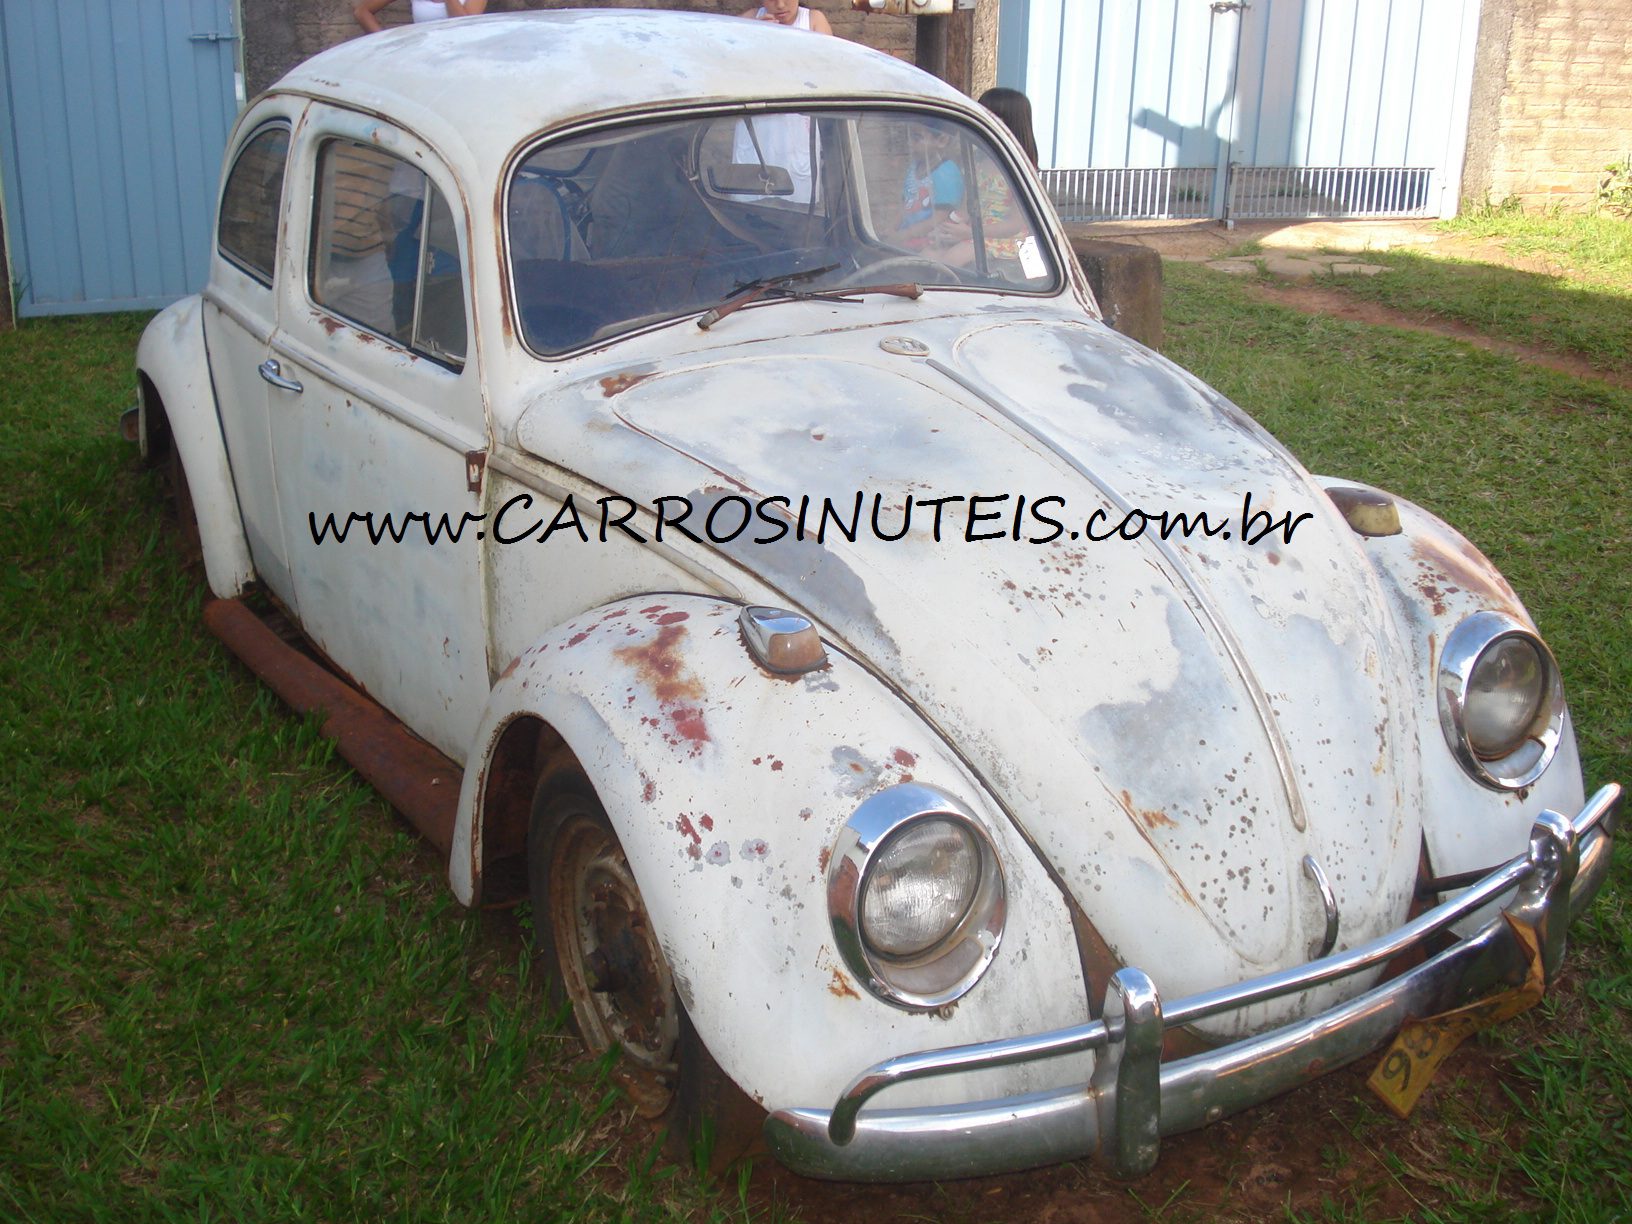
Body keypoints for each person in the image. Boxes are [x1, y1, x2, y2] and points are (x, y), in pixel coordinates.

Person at [931, 88, 1040, 271]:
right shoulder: (977, 164)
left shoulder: (1020, 170)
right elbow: (965, 208)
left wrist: (971, 232)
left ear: (1012, 124)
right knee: (930, 252)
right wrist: (947, 228)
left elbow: (1015, 224)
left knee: (955, 257)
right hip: (974, 234)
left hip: (1011, 241)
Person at [354, 0, 487, 34]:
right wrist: (387, 45)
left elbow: (466, 27)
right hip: (423, 60)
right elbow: (363, 12)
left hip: (460, 62)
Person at [740, 1, 833, 34]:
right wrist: (753, 32)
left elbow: (828, 60)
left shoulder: (813, 20)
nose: (780, 5)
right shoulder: (751, 19)